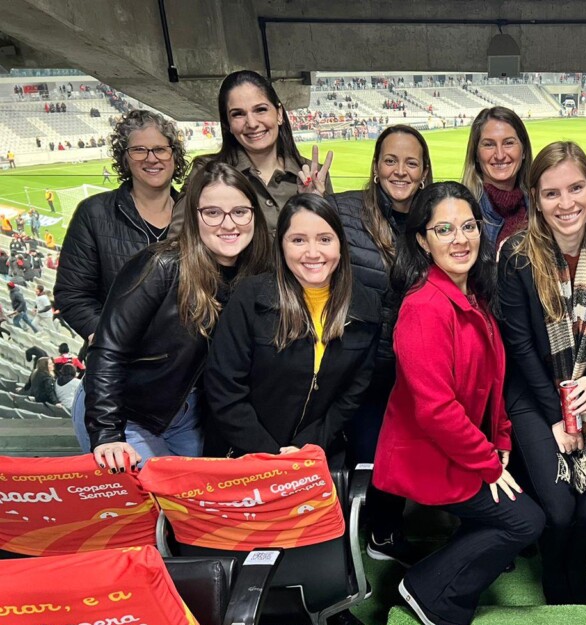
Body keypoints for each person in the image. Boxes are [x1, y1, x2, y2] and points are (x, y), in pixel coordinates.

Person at [373, 181, 545, 625]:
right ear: (422, 241)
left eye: (468, 226)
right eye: (444, 229)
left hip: (462, 449)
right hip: (429, 457)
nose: (460, 239)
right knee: (524, 522)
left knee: (519, 517)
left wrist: (502, 438)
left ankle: (434, 580)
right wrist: (489, 462)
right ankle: (430, 590)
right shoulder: (424, 308)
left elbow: (493, 379)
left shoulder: (473, 296)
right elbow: (435, 411)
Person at [498, 142, 586, 604]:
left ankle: (575, 573)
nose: (566, 203)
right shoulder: (517, 254)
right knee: (557, 509)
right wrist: (557, 417)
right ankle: (558, 585)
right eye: (552, 193)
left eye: (576, 188)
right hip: (536, 393)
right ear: (535, 198)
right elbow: (519, 345)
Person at [77, 162, 273, 471]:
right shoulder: (160, 265)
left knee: (194, 507)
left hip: (189, 416)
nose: (228, 223)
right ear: (194, 217)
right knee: (161, 507)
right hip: (127, 413)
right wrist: (107, 433)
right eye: (212, 212)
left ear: (254, 215)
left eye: (239, 211)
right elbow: (108, 350)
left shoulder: (257, 273)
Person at [205, 194, 381, 465]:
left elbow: (351, 395)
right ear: (282, 246)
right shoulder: (250, 297)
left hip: (316, 456)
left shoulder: (365, 306)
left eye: (325, 239)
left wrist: (307, 447)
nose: (313, 253)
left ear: (341, 245)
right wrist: (271, 456)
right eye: (298, 240)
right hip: (243, 457)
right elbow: (224, 388)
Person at [325, 125, 433, 565]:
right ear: (375, 167)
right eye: (390, 160)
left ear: (424, 171)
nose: (400, 171)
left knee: (398, 455)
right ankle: (347, 543)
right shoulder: (344, 210)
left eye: (411, 162)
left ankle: (384, 532)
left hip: (409, 362)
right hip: (357, 361)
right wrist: (312, 200)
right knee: (363, 456)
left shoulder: (432, 215)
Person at [55, 109, 186, 343]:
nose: (151, 158)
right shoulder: (94, 213)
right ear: (125, 158)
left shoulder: (196, 215)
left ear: (174, 155)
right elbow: (72, 294)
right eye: (138, 150)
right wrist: (111, 341)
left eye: (160, 149)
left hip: (186, 366)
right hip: (121, 366)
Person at [173, 70, 333, 235]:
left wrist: (313, 204)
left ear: (279, 114)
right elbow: (176, 244)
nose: (251, 123)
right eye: (238, 114)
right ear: (227, 124)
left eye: (260, 110)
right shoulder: (205, 172)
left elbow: (331, 245)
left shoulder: (314, 175)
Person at [461, 106, 532, 246]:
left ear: (524, 151)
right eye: (489, 145)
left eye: (509, 143)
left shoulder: (539, 206)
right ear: (476, 155)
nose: (500, 155)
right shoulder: (462, 210)